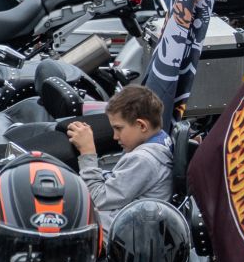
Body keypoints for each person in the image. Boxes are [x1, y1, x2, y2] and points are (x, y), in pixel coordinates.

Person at [65, 85, 172, 230]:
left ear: (141, 126)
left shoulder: (143, 160)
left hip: (115, 235)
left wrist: (87, 151)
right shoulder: (161, 142)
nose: (115, 136)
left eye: (118, 128)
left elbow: (97, 199)